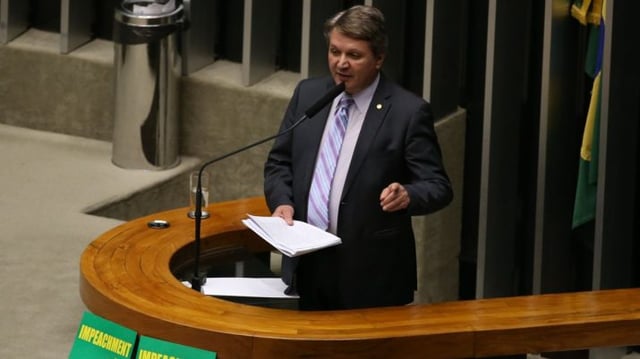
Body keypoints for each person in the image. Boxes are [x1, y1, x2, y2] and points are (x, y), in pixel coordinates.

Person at [263, 5, 453, 310]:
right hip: (307, 264)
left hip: (371, 275)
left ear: (378, 58)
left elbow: (438, 186)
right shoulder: (309, 94)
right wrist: (282, 201)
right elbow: (279, 163)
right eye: (335, 51)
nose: (341, 63)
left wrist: (408, 194)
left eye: (354, 55)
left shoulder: (408, 112)